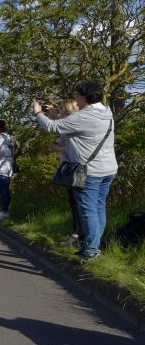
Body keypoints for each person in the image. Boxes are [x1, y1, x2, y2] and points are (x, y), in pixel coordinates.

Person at [34, 82, 117, 260]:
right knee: (98, 207)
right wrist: (55, 114)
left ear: (84, 97)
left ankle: (91, 251)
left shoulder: (85, 116)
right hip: (108, 168)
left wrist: (38, 112)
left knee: (88, 210)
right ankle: (94, 245)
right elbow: (74, 126)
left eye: (77, 95)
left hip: (90, 171)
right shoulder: (106, 112)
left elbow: (52, 127)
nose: (75, 98)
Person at [47, 99, 84, 247]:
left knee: (77, 203)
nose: (59, 110)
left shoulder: (73, 124)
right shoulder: (73, 122)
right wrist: (53, 115)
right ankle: (79, 235)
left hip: (76, 168)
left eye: (61, 108)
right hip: (73, 167)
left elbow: (71, 147)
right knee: (75, 202)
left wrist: (55, 147)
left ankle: (79, 236)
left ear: (68, 110)